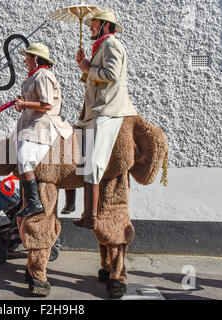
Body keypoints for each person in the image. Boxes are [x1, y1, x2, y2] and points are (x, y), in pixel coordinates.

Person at [73, 9, 137, 229]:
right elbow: (96, 77)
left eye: (94, 23)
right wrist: (86, 67)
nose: (90, 26)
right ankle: (79, 207)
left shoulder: (111, 45)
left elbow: (111, 75)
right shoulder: (102, 46)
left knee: (93, 162)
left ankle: (91, 216)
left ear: (105, 26)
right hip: (95, 110)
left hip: (107, 110)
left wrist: (88, 67)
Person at [14, 42, 73, 217]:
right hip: (31, 123)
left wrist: (24, 103)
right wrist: (24, 101)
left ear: (36, 58)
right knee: (19, 159)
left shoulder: (43, 75)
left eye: (27, 57)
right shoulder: (35, 76)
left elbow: (47, 104)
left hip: (42, 124)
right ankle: (26, 199)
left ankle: (34, 202)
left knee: (25, 159)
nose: (25, 61)